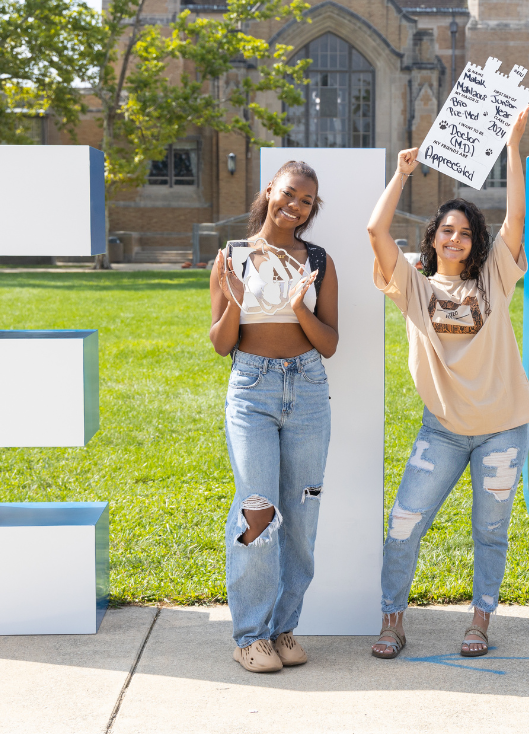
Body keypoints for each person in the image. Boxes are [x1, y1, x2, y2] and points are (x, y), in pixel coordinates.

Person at [366, 107, 529, 659]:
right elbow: (374, 230)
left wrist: (512, 146)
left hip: (502, 431)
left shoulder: (495, 279)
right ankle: (392, 621)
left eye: (465, 232)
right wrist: (401, 174)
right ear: (434, 238)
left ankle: (480, 623)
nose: (456, 238)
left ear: (475, 240)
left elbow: (516, 222)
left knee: (490, 532)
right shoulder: (412, 286)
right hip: (440, 430)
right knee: (403, 525)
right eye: (447, 231)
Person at [209, 160, 339, 673]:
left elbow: (329, 343)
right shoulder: (231, 258)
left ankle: (284, 629)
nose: (295, 206)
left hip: (307, 391)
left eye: (306, 201)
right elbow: (221, 345)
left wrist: (300, 307)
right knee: (256, 511)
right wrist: (235, 303)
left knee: (301, 518)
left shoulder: (319, 261)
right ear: (270, 190)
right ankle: (250, 636)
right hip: (252, 391)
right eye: (288, 194)